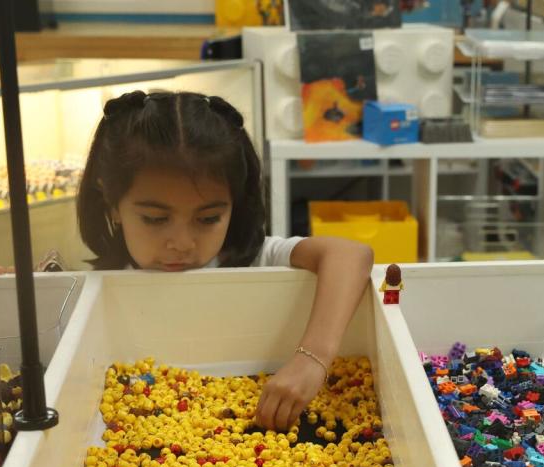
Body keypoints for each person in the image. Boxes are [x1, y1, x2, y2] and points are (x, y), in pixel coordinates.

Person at [77, 90, 374, 430]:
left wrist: (313, 359)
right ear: (112, 204)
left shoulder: (254, 258)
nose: (182, 243)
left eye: (208, 219)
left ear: (235, 203)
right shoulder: (103, 281)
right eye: (155, 219)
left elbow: (352, 255)